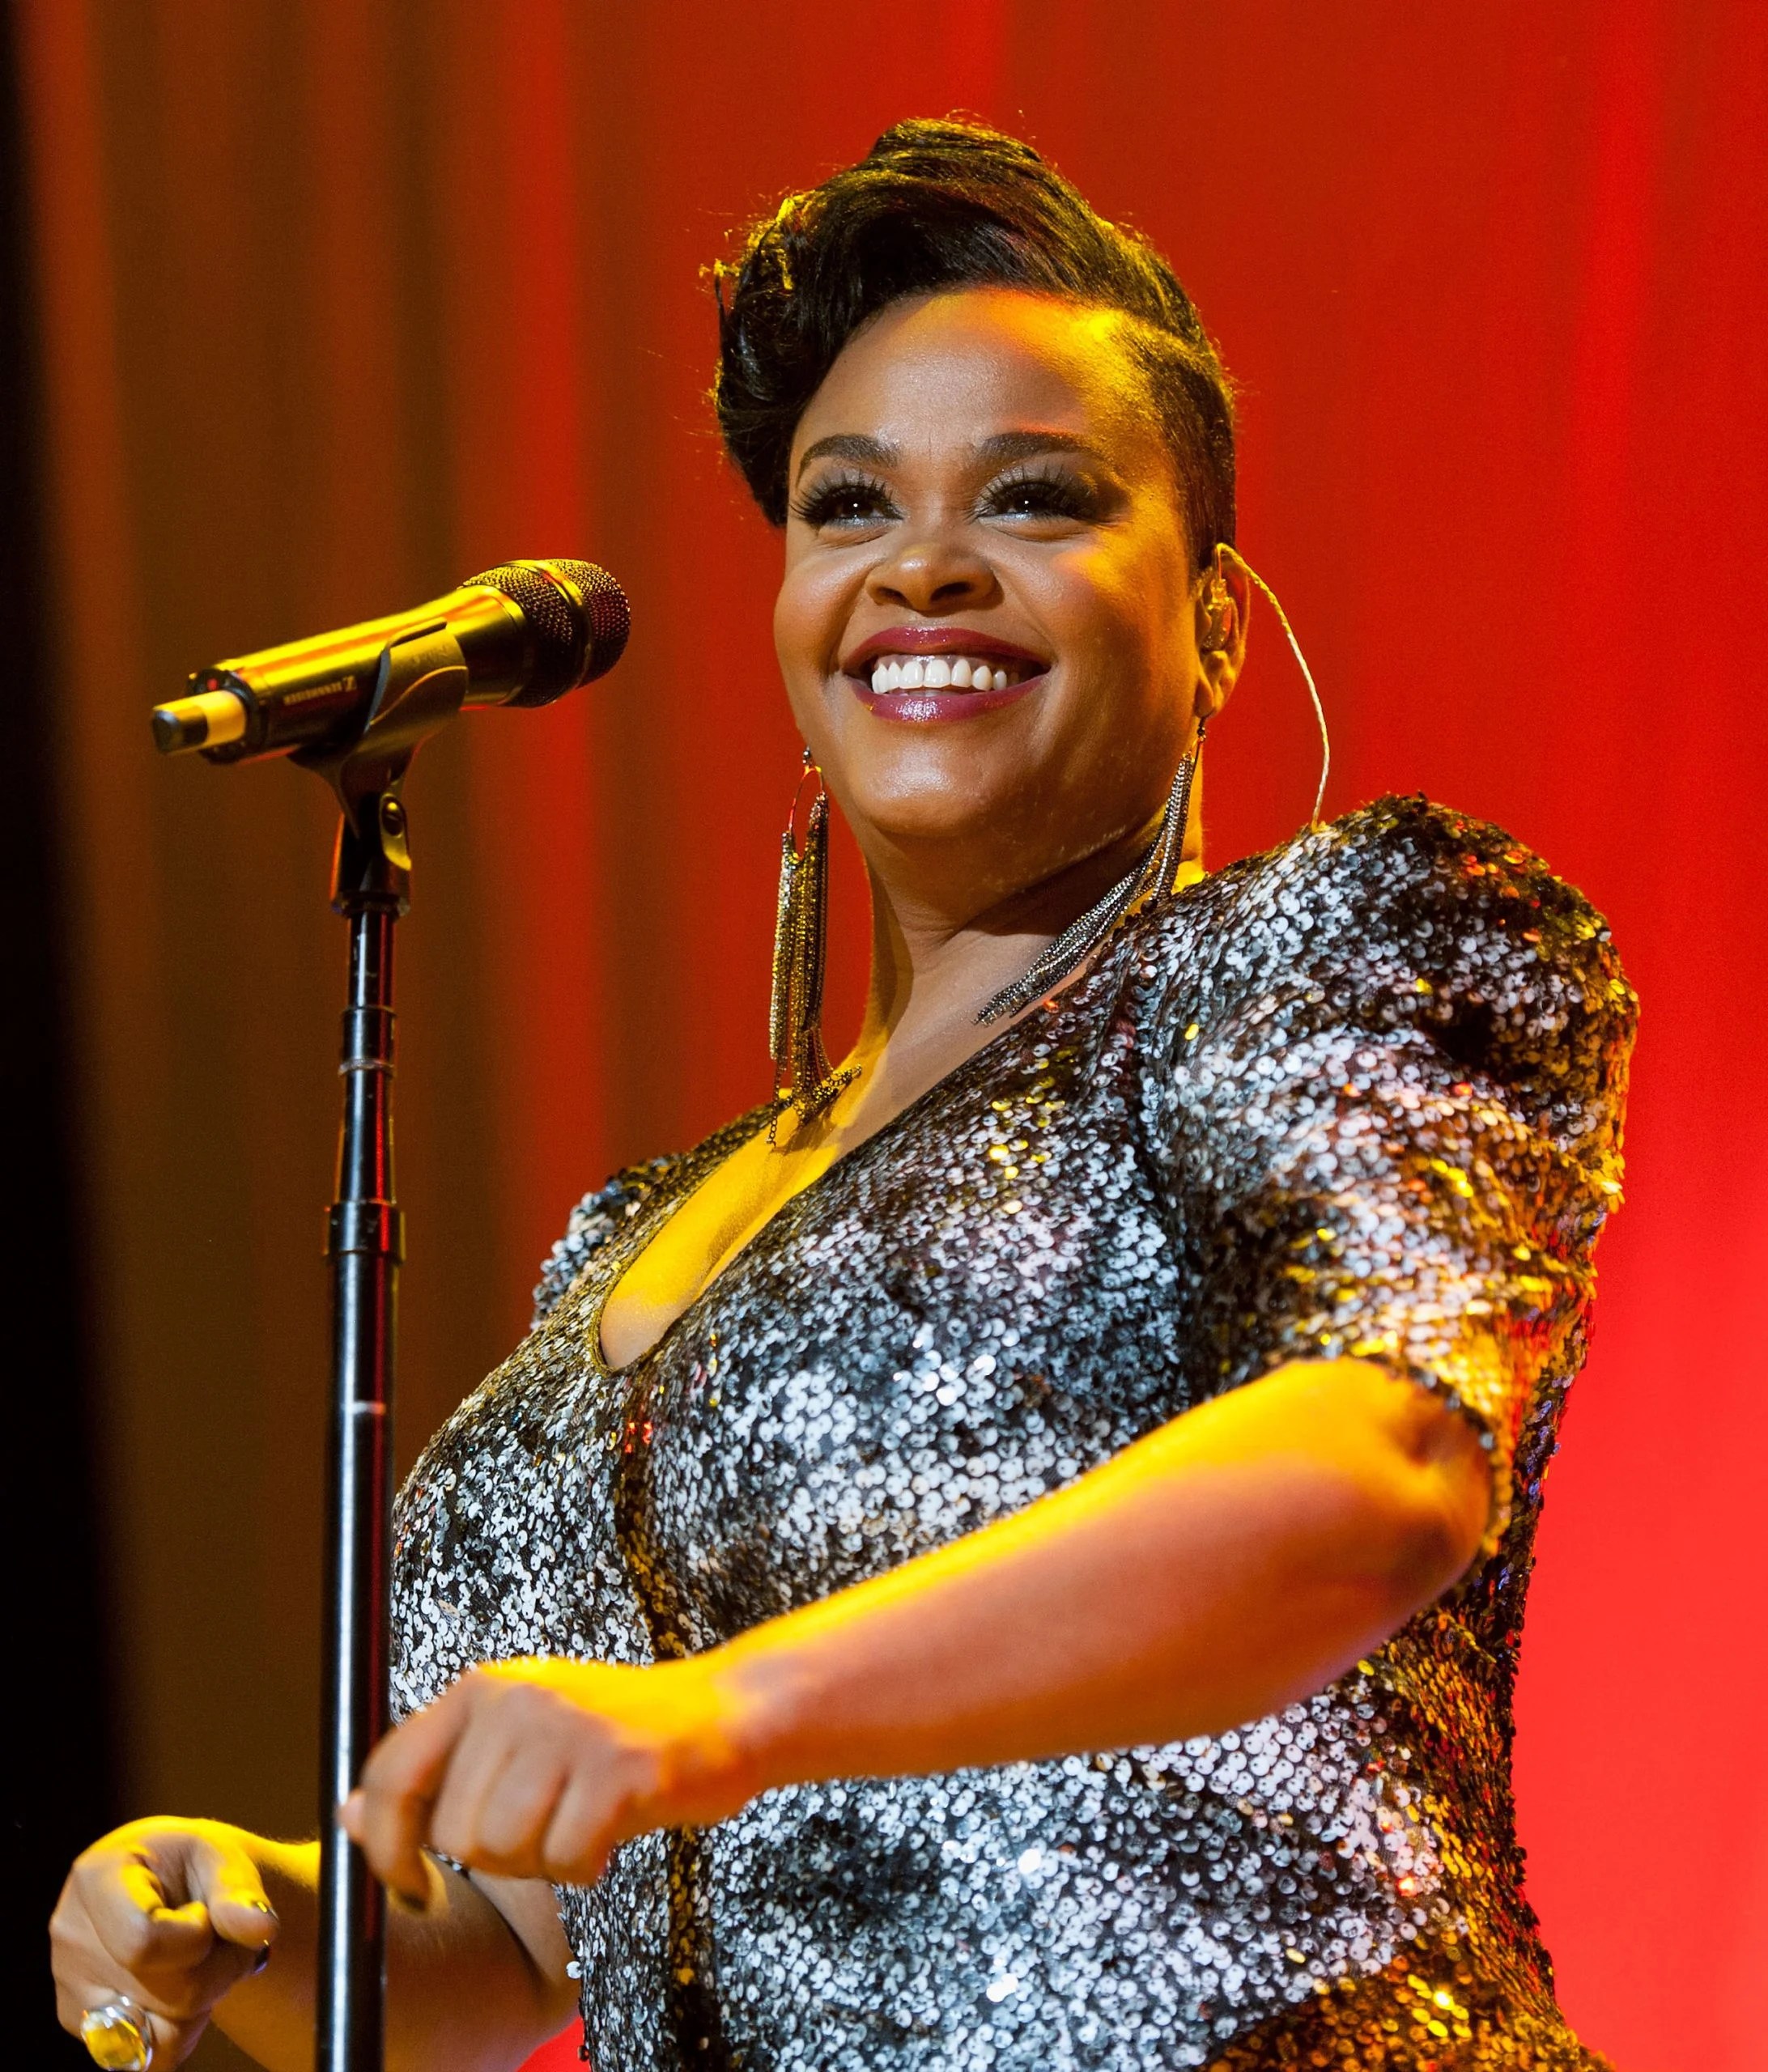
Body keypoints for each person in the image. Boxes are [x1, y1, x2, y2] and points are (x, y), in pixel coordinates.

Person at [53, 119, 1635, 2072]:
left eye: (1037, 498)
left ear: (1217, 625)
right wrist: (259, 1914)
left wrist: (720, 1712)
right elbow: (517, 1942)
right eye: (847, 504)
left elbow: (1375, 1471)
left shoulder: (1323, 954)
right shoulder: (631, 1232)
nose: (924, 564)